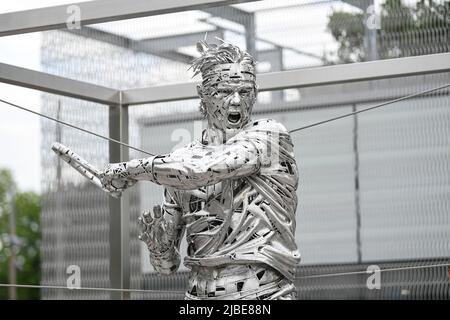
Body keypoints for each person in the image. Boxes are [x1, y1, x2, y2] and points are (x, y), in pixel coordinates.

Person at [99, 40, 300, 300]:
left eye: (245, 91)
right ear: (202, 93)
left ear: (256, 92)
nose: (236, 101)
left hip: (263, 295)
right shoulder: (177, 164)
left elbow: (201, 171)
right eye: (224, 91)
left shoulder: (270, 136)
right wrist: (159, 248)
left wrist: (129, 170)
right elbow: (167, 268)